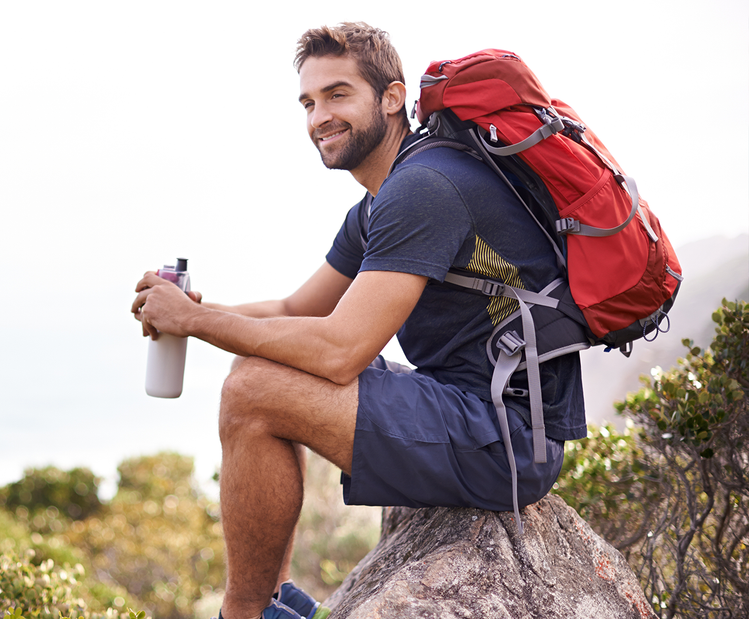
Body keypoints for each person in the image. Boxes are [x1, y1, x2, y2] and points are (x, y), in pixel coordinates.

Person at [130, 22, 585, 619]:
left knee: (252, 392)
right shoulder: (383, 198)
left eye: (338, 95)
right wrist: (193, 311)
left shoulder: (423, 189)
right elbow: (297, 311)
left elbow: (340, 350)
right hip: (477, 410)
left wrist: (195, 326)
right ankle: (278, 600)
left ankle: (244, 613)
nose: (320, 116)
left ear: (391, 98)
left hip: (510, 440)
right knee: (258, 363)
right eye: (309, 102)